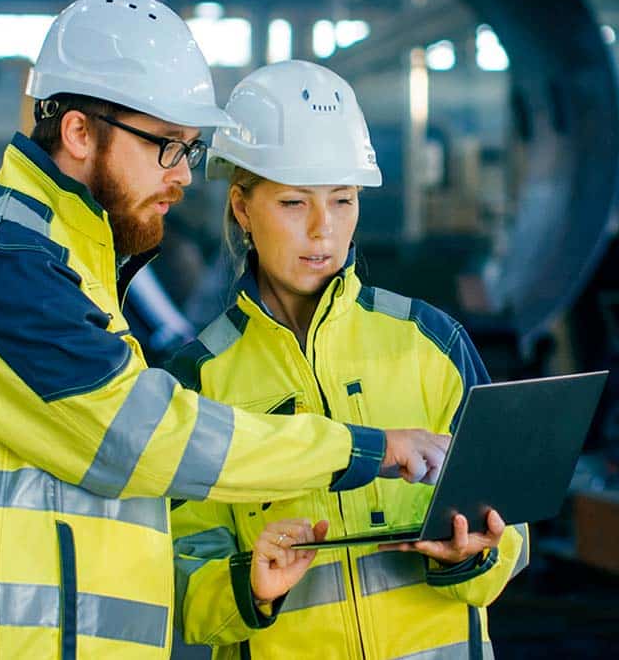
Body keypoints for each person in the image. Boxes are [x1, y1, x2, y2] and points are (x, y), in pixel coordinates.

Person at [0, 0, 450, 659]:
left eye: (189, 148)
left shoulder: (72, 264)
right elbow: (142, 439)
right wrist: (362, 449)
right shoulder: (3, 261)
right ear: (78, 133)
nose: (184, 175)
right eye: (166, 146)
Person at [169, 60, 530, 659]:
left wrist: (479, 553)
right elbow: (181, 577)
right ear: (241, 207)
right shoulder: (200, 379)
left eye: (342, 199)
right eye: (292, 203)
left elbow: (512, 528)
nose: (323, 230)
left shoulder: (432, 343)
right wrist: (249, 588)